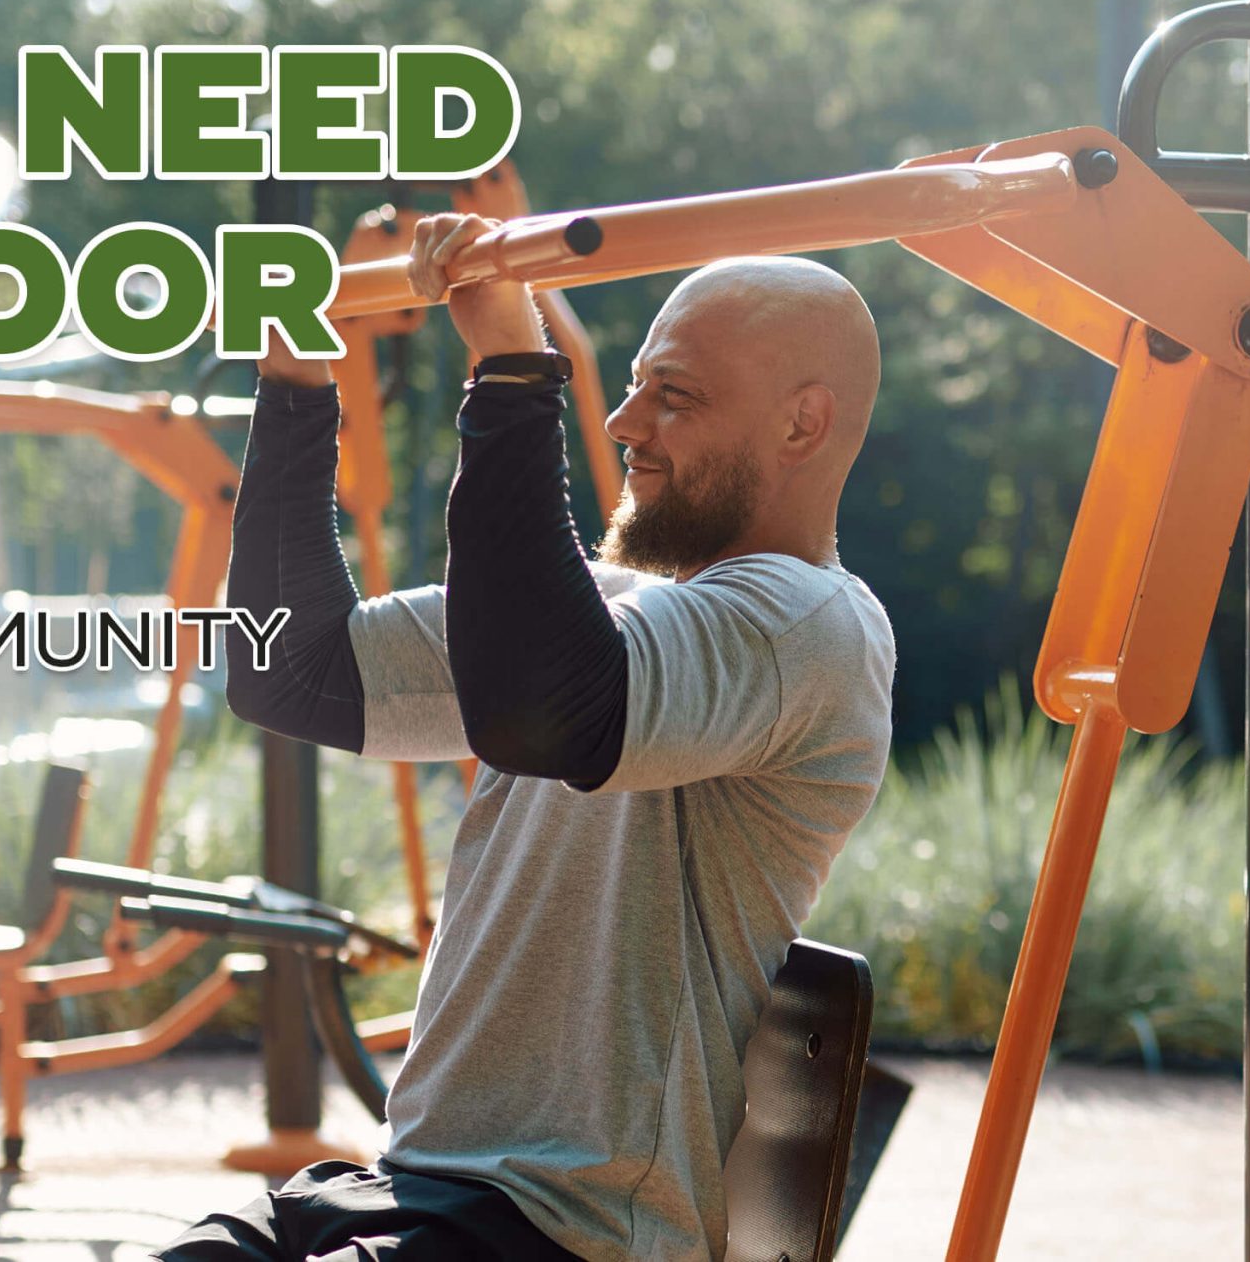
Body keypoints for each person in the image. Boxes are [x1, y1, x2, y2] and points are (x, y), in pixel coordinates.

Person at [158, 173, 896, 1262]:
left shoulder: (807, 625)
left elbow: (549, 711)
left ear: (803, 423)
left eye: (675, 398)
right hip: (416, 1182)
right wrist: (296, 381)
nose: (626, 422)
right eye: (633, 384)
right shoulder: (605, 606)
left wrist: (511, 368)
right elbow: (294, 670)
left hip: (571, 1228)